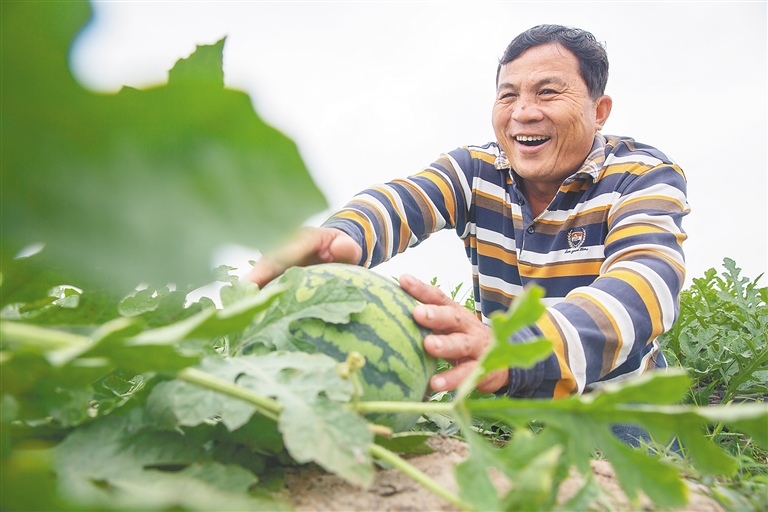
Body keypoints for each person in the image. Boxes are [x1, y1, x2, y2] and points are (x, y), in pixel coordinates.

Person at [246, 24, 689, 402]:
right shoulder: (478, 169)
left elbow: (645, 286)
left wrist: (517, 349)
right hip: (507, 393)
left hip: (618, 402)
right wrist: (343, 236)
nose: (523, 113)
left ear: (599, 111)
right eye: (508, 95)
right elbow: (405, 199)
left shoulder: (642, 177)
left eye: (548, 93)